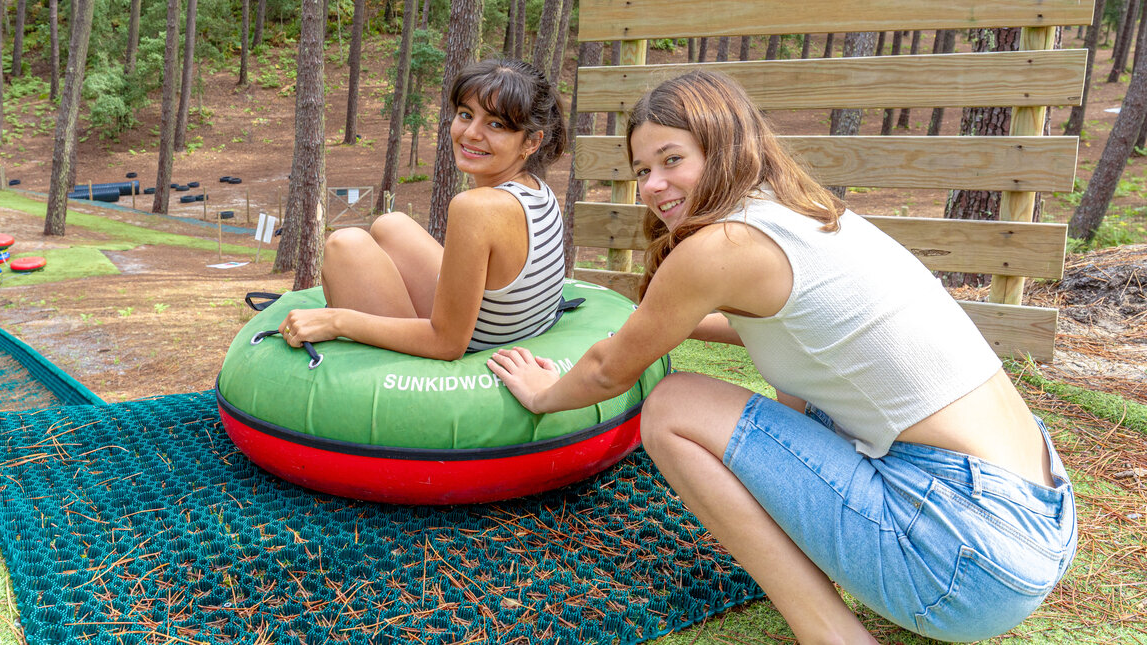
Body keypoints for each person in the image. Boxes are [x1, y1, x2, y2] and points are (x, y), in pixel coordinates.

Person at [487, 70, 1077, 643]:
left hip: (961, 556)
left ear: (724, 148)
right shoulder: (803, 212)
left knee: (673, 405)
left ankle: (829, 633)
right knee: (797, 388)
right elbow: (785, 329)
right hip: (1037, 520)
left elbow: (606, 372)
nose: (653, 185)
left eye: (672, 160)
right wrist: (659, 325)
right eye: (643, 169)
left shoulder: (723, 246)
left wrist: (542, 394)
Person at [278, 58, 568, 360]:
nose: (471, 133)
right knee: (390, 224)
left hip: (469, 353)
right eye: (466, 115)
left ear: (531, 142)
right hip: (502, 328)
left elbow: (447, 345)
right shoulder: (537, 190)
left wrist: (337, 321)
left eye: (495, 124)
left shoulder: (477, 208)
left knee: (344, 246)